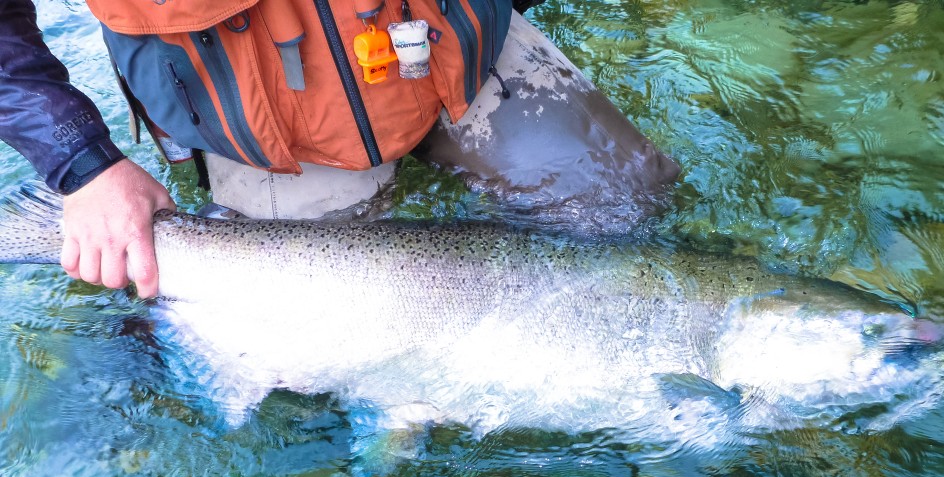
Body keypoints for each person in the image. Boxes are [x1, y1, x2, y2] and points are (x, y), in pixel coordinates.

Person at [0, 0, 678, 299]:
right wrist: (82, 164)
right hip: (261, 125)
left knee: (627, 206)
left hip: (450, 46)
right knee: (297, 365)